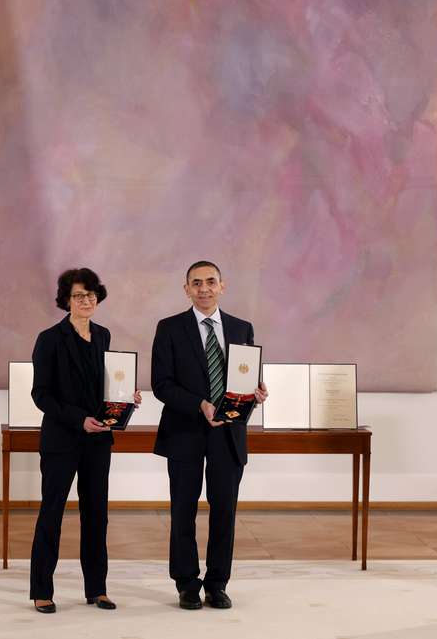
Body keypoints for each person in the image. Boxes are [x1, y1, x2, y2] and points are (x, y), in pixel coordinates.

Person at [151, 260, 266, 610]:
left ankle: (217, 584)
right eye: (196, 282)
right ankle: (187, 583)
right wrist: (199, 403)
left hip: (228, 435)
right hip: (184, 431)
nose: (204, 288)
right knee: (183, 511)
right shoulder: (169, 328)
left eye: (210, 281)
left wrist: (256, 393)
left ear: (222, 286)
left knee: (224, 512)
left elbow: (245, 379)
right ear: (186, 289)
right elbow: (161, 385)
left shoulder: (241, 328)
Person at [29, 267, 140, 614]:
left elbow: (105, 387)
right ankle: (41, 590)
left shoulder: (104, 336)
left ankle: (97, 588)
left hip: (98, 441)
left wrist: (125, 399)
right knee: (52, 513)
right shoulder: (49, 339)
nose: (86, 301)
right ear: (66, 300)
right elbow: (41, 395)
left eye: (91, 294)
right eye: (79, 295)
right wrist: (79, 420)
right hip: (62, 440)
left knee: (97, 515)